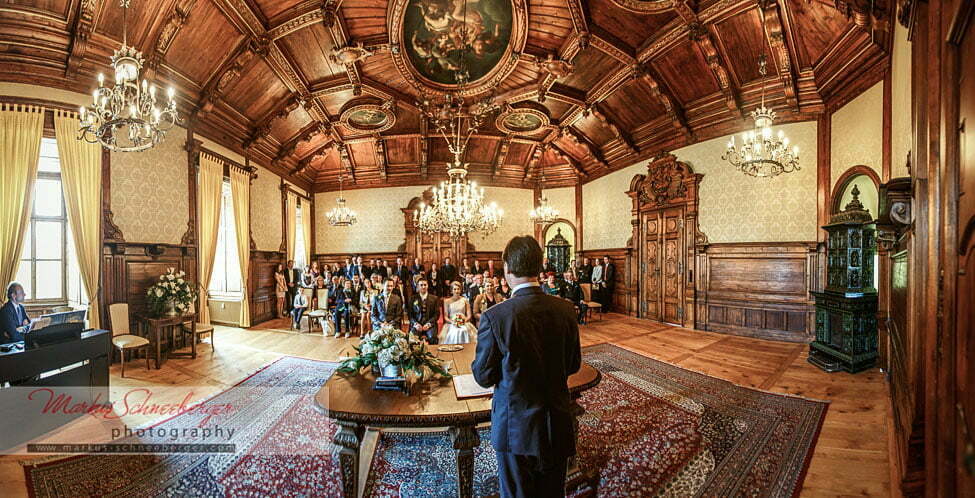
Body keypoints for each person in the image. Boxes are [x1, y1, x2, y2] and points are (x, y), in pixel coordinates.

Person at [472, 236, 581, 497]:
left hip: (515, 427)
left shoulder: (495, 316)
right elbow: (573, 364)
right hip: (556, 421)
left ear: (507, 269)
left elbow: (483, 376)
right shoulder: (565, 309)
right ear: (539, 267)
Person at [409, 279, 440, 343]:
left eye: (425, 285)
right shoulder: (412, 298)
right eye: (421, 285)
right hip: (417, 324)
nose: (423, 287)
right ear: (418, 286)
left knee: (433, 337)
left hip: (429, 324)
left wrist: (429, 324)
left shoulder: (435, 298)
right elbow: (410, 315)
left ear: (428, 286)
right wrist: (416, 324)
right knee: (412, 338)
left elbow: (436, 315)